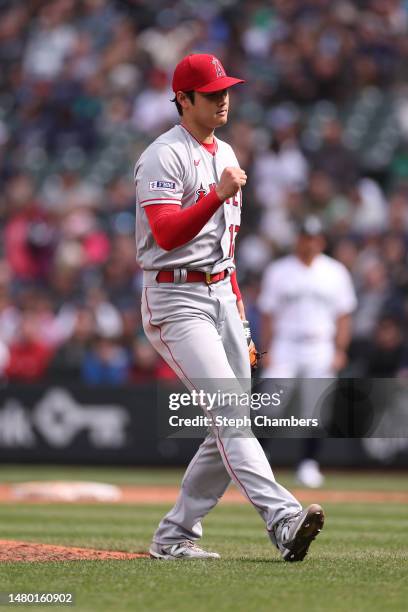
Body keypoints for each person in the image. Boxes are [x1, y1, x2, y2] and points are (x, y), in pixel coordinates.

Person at [134, 53, 324, 561]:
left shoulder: (226, 151)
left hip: (221, 293)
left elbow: (227, 249)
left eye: (226, 89)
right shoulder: (163, 155)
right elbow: (166, 233)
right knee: (230, 413)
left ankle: (175, 535)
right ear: (183, 99)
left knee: (233, 418)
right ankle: (283, 519)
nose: (223, 98)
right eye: (212, 91)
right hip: (175, 297)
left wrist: (239, 315)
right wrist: (216, 195)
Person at [258, 216, 357, 487]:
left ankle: (308, 464)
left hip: (320, 345)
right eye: (304, 236)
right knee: (270, 405)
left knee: (316, 408)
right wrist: (267, 350)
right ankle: (258, 460)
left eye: (314, 237)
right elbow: (267, 315)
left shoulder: (335, 271)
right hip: (285, 343)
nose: (309, 242)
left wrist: (340, 349)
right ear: (297, 239)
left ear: (322, 241)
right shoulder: (279, 270)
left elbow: (344, 316)